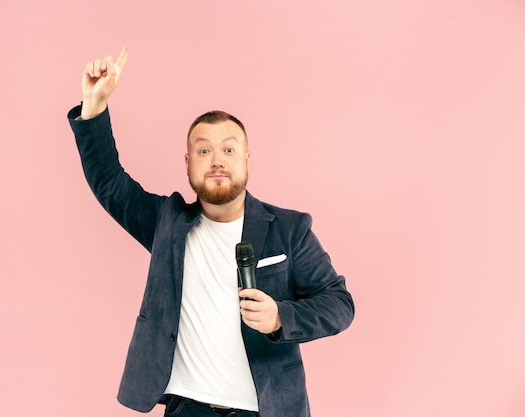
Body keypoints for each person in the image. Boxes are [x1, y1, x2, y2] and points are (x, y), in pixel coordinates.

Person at [67, 45, 354, 417]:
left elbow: (339, 304)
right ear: (188, 163)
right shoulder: (167, 225)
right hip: (188, 408)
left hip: (264, 410)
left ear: (246, 159)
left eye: (229, 150)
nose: (217, 160)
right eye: (204, 151)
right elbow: (109, 183)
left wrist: (281, 317)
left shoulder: (290, 230)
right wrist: (96, 107)